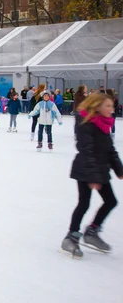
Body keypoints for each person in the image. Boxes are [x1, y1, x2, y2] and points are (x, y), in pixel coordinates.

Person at [60, 93, 123, 259]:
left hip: (100, 169)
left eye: (112, 106)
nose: (112, 109)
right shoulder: (85, 123)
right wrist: (93, 177)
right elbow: (86, 151)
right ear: (96, 106)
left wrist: (119, 170)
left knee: (111, 201)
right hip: (85, 169)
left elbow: (110, 150)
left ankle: (92, 231)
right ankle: (71, 237)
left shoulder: (104, 124)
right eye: (108, 106)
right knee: (84, 203)